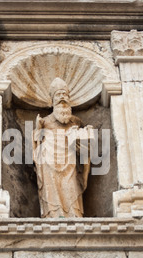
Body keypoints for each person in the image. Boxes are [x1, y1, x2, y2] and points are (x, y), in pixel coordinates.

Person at [33, 78, 92, 218]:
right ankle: (52, 214)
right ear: (53, 100)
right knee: (51, 187)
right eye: (59, 95)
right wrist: (37, 130)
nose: (62, 98)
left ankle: (74, 214)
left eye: (65, 95)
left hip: (71, 162)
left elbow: (85, 147)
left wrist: (86, 136)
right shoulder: (45, 121)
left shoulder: (76, 122)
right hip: (49, 162)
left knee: (71, 186)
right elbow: (36, 144)